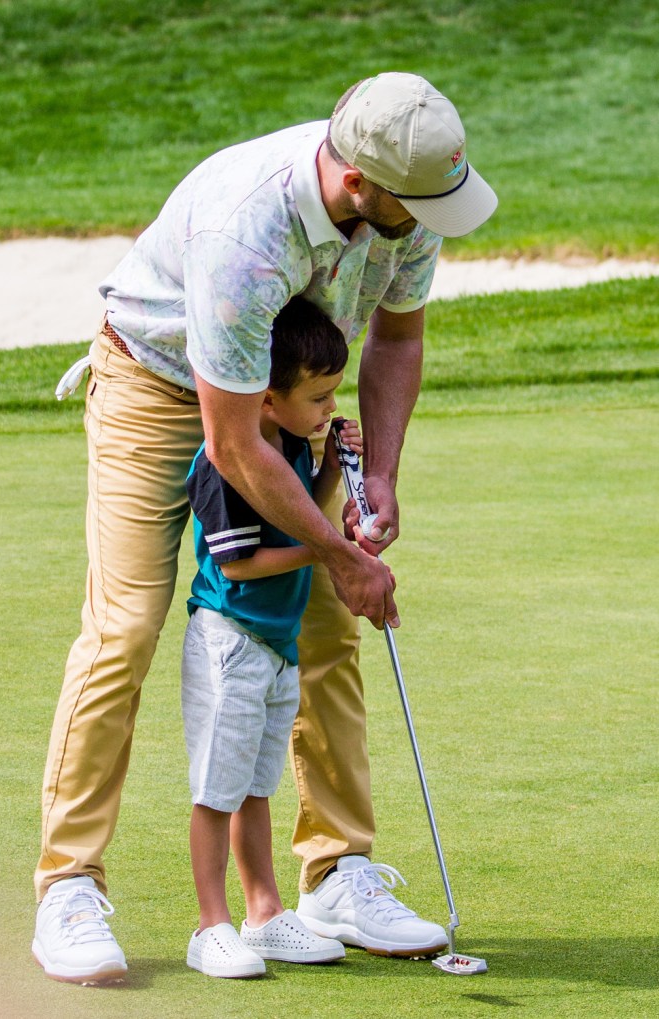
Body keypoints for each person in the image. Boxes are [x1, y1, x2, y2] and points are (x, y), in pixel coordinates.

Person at [33, 71, 497, 984]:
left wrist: (378, 480)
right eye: (421, 201)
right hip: (156, 382)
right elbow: (233, 444)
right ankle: (68, 882)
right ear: (358, 183)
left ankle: (336, 869)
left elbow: (397, 338)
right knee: (126, 623)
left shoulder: (409, 207)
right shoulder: (247, 231)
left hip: (282, 395)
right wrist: (337, 551)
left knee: (323, 616)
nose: (439, 217)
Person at [182, 297, 366, 978]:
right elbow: (240, 562)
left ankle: (263, 913)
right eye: (318, 396)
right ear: (265, 398)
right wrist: (327, 553)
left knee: (256, 786)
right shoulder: (228, 462)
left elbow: (302, 519)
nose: (328, 406)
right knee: (217, 789)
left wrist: (329, 470)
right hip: (230, 640)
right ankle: (211, 926)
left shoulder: (287, 444)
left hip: (275, 644)